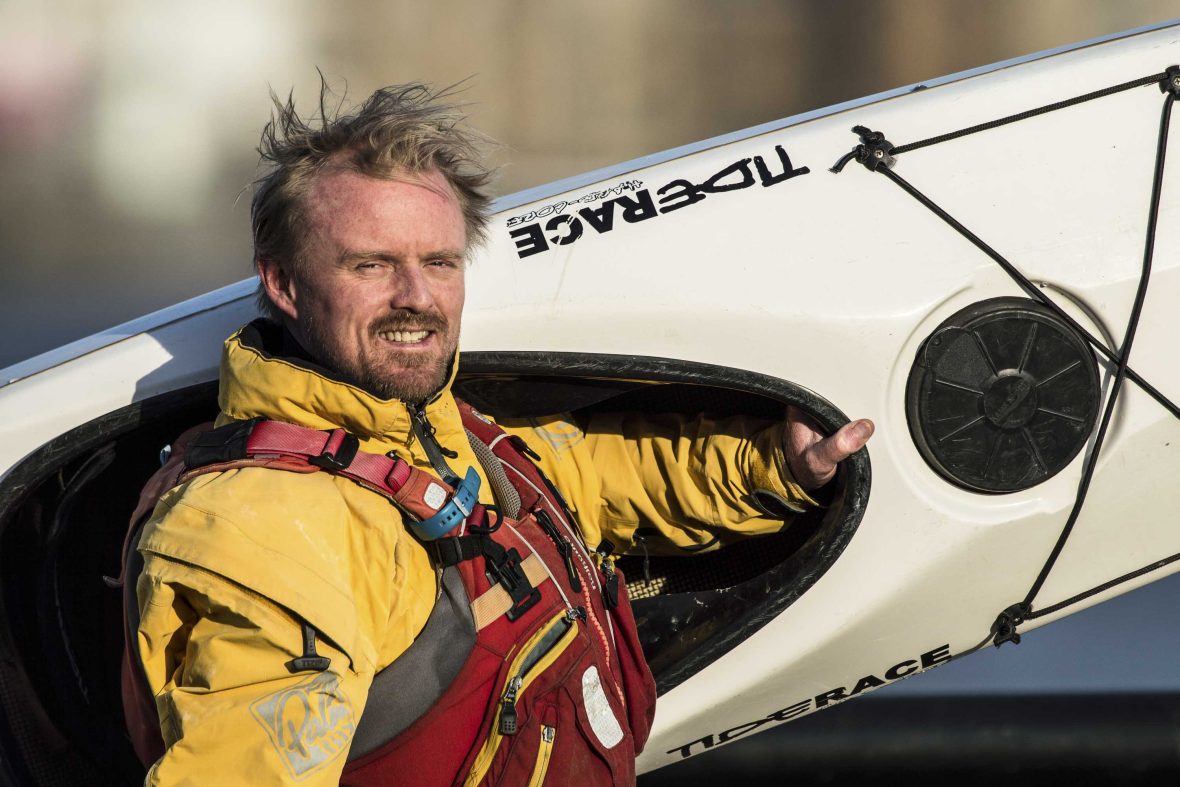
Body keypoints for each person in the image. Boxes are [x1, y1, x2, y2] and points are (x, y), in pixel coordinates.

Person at [127, 82, 874, 786]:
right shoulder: (269, 527)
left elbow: (590, 476)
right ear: (283, 283)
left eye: (439, 262)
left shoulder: (448, 431)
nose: (417, 297)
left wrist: (780, 463)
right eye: (371, 265)